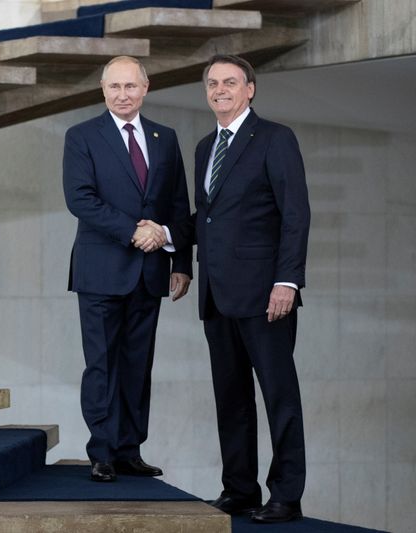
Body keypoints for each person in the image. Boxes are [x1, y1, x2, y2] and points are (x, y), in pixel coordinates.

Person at [186, 54, 310, 523]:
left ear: (250, 89)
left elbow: (295, 214)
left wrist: (288, 280)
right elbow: (209, 218)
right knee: (231, 397)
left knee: (279, 396)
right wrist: (174, 241)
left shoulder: (275, 138)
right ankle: (239, 488)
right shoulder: (204, 147)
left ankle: (286, 496)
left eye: (231, 82)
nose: (221, 89)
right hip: (217, 295)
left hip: (266, 295)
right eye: (213, 83)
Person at [63, 55, 193, 483]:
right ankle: (101, 451)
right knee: (102, 365)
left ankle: (129, 450)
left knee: (138, 365)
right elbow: (80, 199)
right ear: (103, 90)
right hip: (101, 271)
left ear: (146, 88)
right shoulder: (82, 136)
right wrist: (135, 231)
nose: (123, 94)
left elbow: (178, 203)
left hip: (150, 272)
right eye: (115, 87)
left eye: (130, 86)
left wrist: (180, 260)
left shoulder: (165, 137)